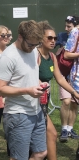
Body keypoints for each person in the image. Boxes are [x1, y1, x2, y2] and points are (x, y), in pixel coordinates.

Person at [0, 20, 47, 160]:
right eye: (30, 44)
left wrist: (40, 83)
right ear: (20, 37)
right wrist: (27, 90)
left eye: (37, 44)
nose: (33, 47)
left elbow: (29, 75)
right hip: (17, 115)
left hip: (36, 111)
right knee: (19, 158)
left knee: (41, 153)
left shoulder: (34, 50)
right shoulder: (8, 57)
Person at [37, 20, 79, 160]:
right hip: (31, 104)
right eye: (49, 38)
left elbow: (60, 79)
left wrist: (74, 93)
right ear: (40, 39)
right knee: (41, 142)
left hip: (42, 103)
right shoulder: (35, 56)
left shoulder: (52, 57)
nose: (53, 41)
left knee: (51, 135)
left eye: (55, 38)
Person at [59, 15, 79, 142]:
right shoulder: (75, 32)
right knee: (67, 101)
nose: (66, 29)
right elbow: (66, 55)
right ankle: (64, 128)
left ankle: (70, 128)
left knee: (74, 103)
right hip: (68, 73)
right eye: (66, 26)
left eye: (68, 26)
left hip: (75, 73)